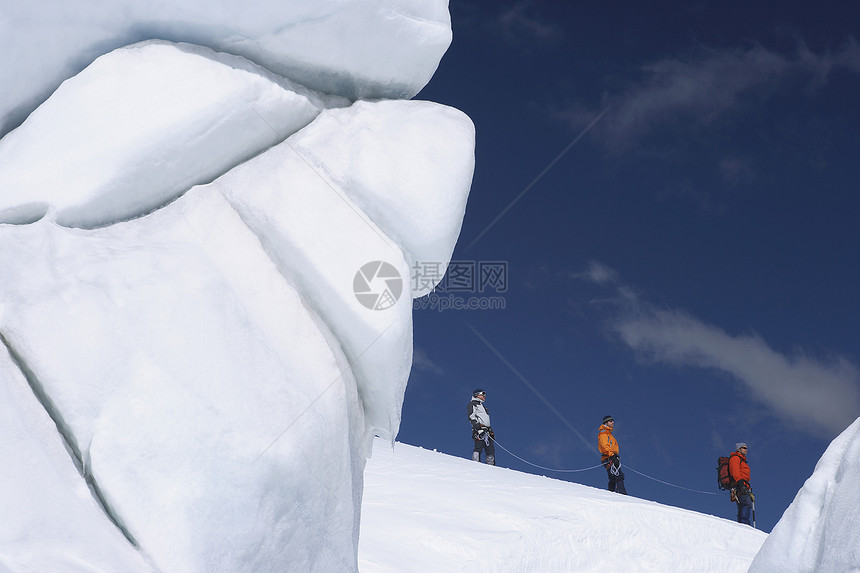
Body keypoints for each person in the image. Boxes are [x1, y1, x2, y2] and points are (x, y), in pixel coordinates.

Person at [597, 415, 627, 494]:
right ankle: (622, 493)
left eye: (612, 420)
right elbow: (605, 445)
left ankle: (611, 494)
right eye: (610, 421)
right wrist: (612, 455)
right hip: (608, 457)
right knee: (618, 475)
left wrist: (614, 456)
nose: (613, 422)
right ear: (606, 423)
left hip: (611, 457)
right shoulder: (604, 433)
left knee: (613, 476)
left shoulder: (609, 434)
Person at [467, 389, 495, 465]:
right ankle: (475, 463)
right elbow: (471, 417)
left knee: (490, 449)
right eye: (482, 395)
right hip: (479, 429)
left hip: (487, 430)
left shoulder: (483, 407)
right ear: (476, 395)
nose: (484, 397)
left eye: (484, 395)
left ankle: (491, 466)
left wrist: (490, 431)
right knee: (479, 446)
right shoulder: (473, 404)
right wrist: (479, 429)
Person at [729, 442, 753, 525]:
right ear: (739, 449)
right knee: (746, 504)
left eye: (746, 448)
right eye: (744, 448)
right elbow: (734, 471)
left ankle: (742, 524)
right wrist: (741, 483)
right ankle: (744, 524)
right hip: (740, 485)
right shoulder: (735, 458)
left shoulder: (742, 460)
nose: (746, 450)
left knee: (743, 505)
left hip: (743, 485)